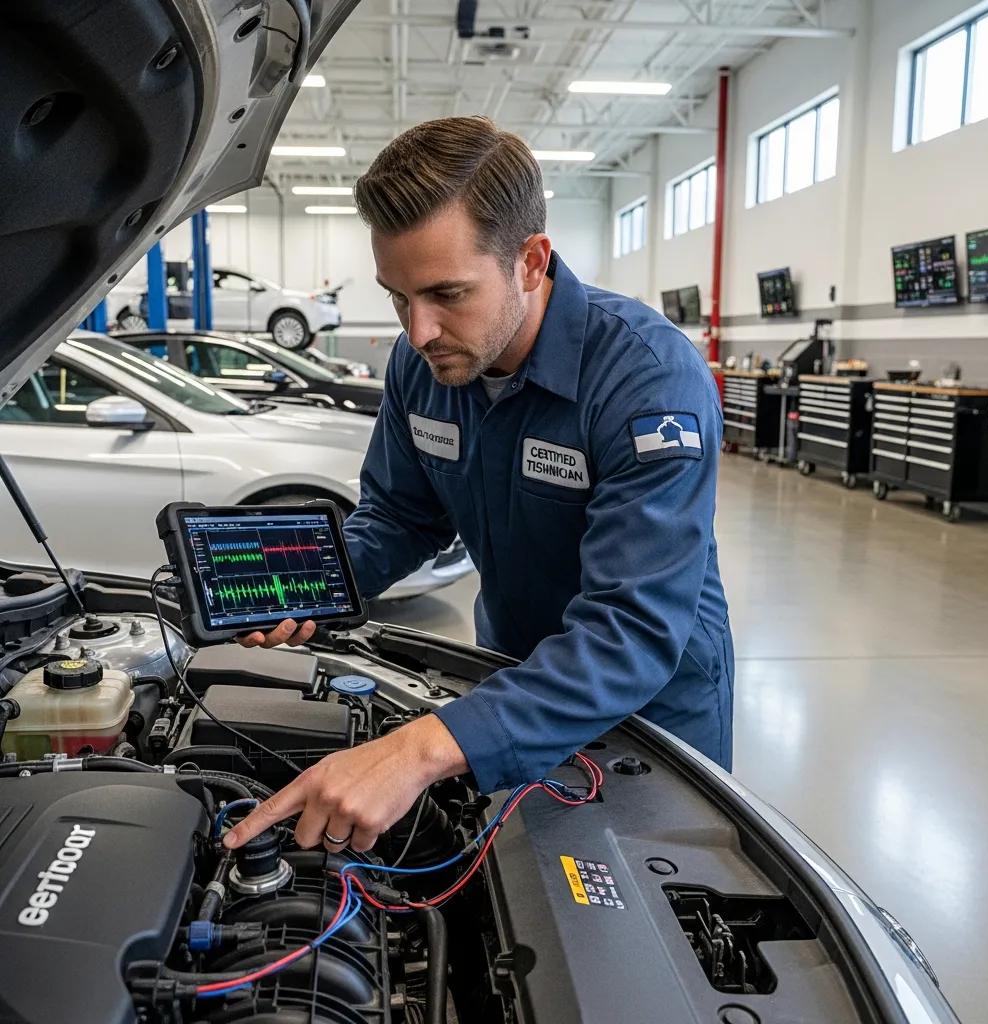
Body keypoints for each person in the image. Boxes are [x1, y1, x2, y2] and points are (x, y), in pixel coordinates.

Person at [222, 116, 733, 855]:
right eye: (398, 297)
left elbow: (632, 630)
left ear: (530, 261)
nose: (420, 329)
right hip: (510, 679)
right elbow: (399, 518)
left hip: (652, 716)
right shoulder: (421, 366)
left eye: (446, 293)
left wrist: (421, 747)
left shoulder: (647, 381)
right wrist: (301, 580)